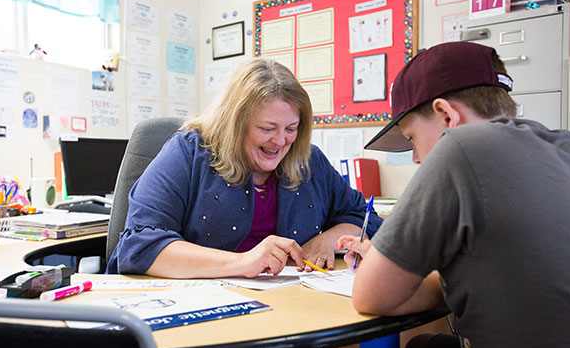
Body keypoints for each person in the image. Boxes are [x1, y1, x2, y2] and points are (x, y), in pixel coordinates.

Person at [338, 41, 570, 348]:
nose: (417, 158)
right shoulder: (566, 146)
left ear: (446, 115)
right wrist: (402, 265)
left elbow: (369, 296)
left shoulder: (460, 147)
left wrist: (394, 272)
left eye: (411, 139)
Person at [106, 57, 382, 279]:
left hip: (288, 309)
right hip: (199, 315)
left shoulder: (309, 161)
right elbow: (139, 245)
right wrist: (242, 262)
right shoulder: (188, 153)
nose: (280, 141)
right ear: (235, 123)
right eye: (267, 128)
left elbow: (364, 216)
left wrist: (329, 239)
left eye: (291, 129)